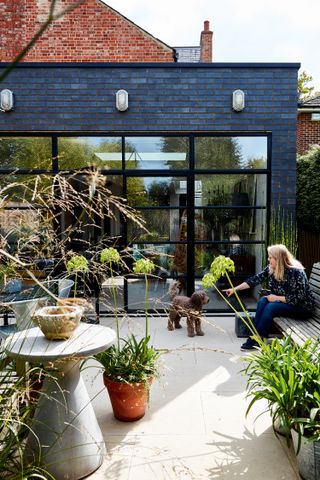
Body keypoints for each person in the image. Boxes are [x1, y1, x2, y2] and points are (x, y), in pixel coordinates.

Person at [223, 244, 315, 350]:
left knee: (271, 307)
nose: (268, 259)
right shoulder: (272, 268)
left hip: (302, 308)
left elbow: (299, 298)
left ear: (278, 258)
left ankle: (256, 338)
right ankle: (256, 335)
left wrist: (276, 298)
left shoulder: (296, 272)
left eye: (271, 257)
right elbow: (255, 280)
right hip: (286, 303)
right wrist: (235, 289)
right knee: (263, 301)